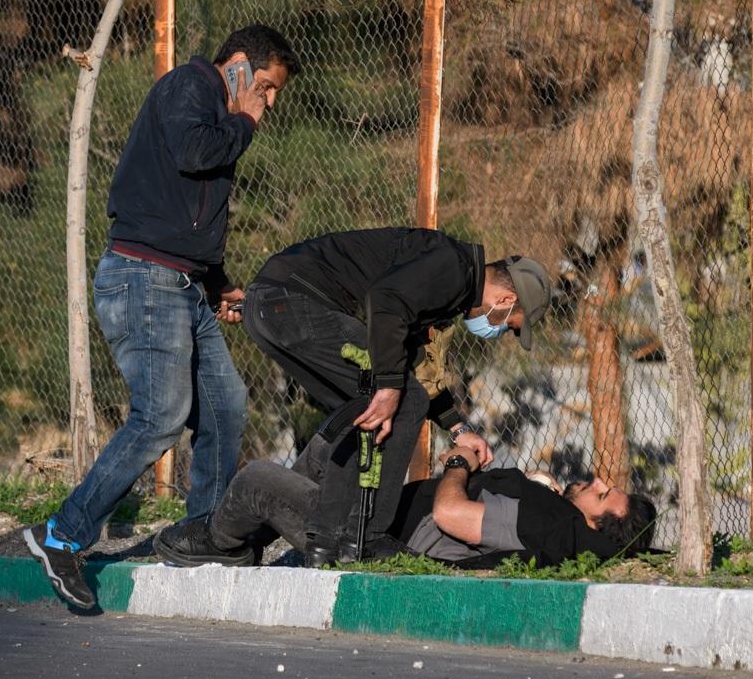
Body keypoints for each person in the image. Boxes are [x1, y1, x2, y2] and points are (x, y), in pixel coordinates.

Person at [23, 25, 300, 609]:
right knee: (160, 417)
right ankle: (62, 535)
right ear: (239, 66)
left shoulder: (216, 116)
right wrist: (246, 122)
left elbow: (189, 212)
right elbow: (193, 153)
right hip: (143, 279)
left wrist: (218, 283)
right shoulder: (190, 87)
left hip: (183, 285)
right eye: (266, 87)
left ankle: (206, 538)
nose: (269, 102)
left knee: (225, 406)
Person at [236, 227, 553, 565]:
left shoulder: (449, 277)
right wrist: (388, 387)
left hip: (275, 303)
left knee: (365, 406)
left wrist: (457, 427)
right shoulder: (453, 266)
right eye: (511, 324)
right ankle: (365, 538)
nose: (502, 331)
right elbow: (385, 301)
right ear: (506, 300)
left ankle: (328, 542)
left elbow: (410, 364)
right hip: (293, 301)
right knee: (404, 401)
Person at [152, 443, 659, 570]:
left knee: (257, 478)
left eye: (601, 494)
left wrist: (458, 462)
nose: (596, 481)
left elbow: (450, 515)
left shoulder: (553, 521)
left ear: (594, 522)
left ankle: (220, 542)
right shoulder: (553, 511)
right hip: (380, 514)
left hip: (371, 539)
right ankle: (249, 536)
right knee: (331, 445)